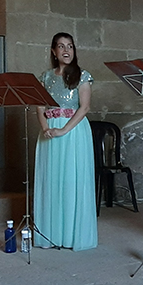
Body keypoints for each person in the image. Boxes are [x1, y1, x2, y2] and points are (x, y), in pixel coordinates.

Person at [33, 32, 98, 250]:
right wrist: (46, 129)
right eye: (61, 46)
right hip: (50, 131)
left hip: (73, 131)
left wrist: (64, 130)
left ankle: (72, 235)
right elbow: (39, 105)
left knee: (71, 180)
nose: (66, 50)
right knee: (51, 180)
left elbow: (85, 107)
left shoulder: (83, 75)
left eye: (70, 46)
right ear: (53, 51)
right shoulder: (45, 76)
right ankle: (51, 234)